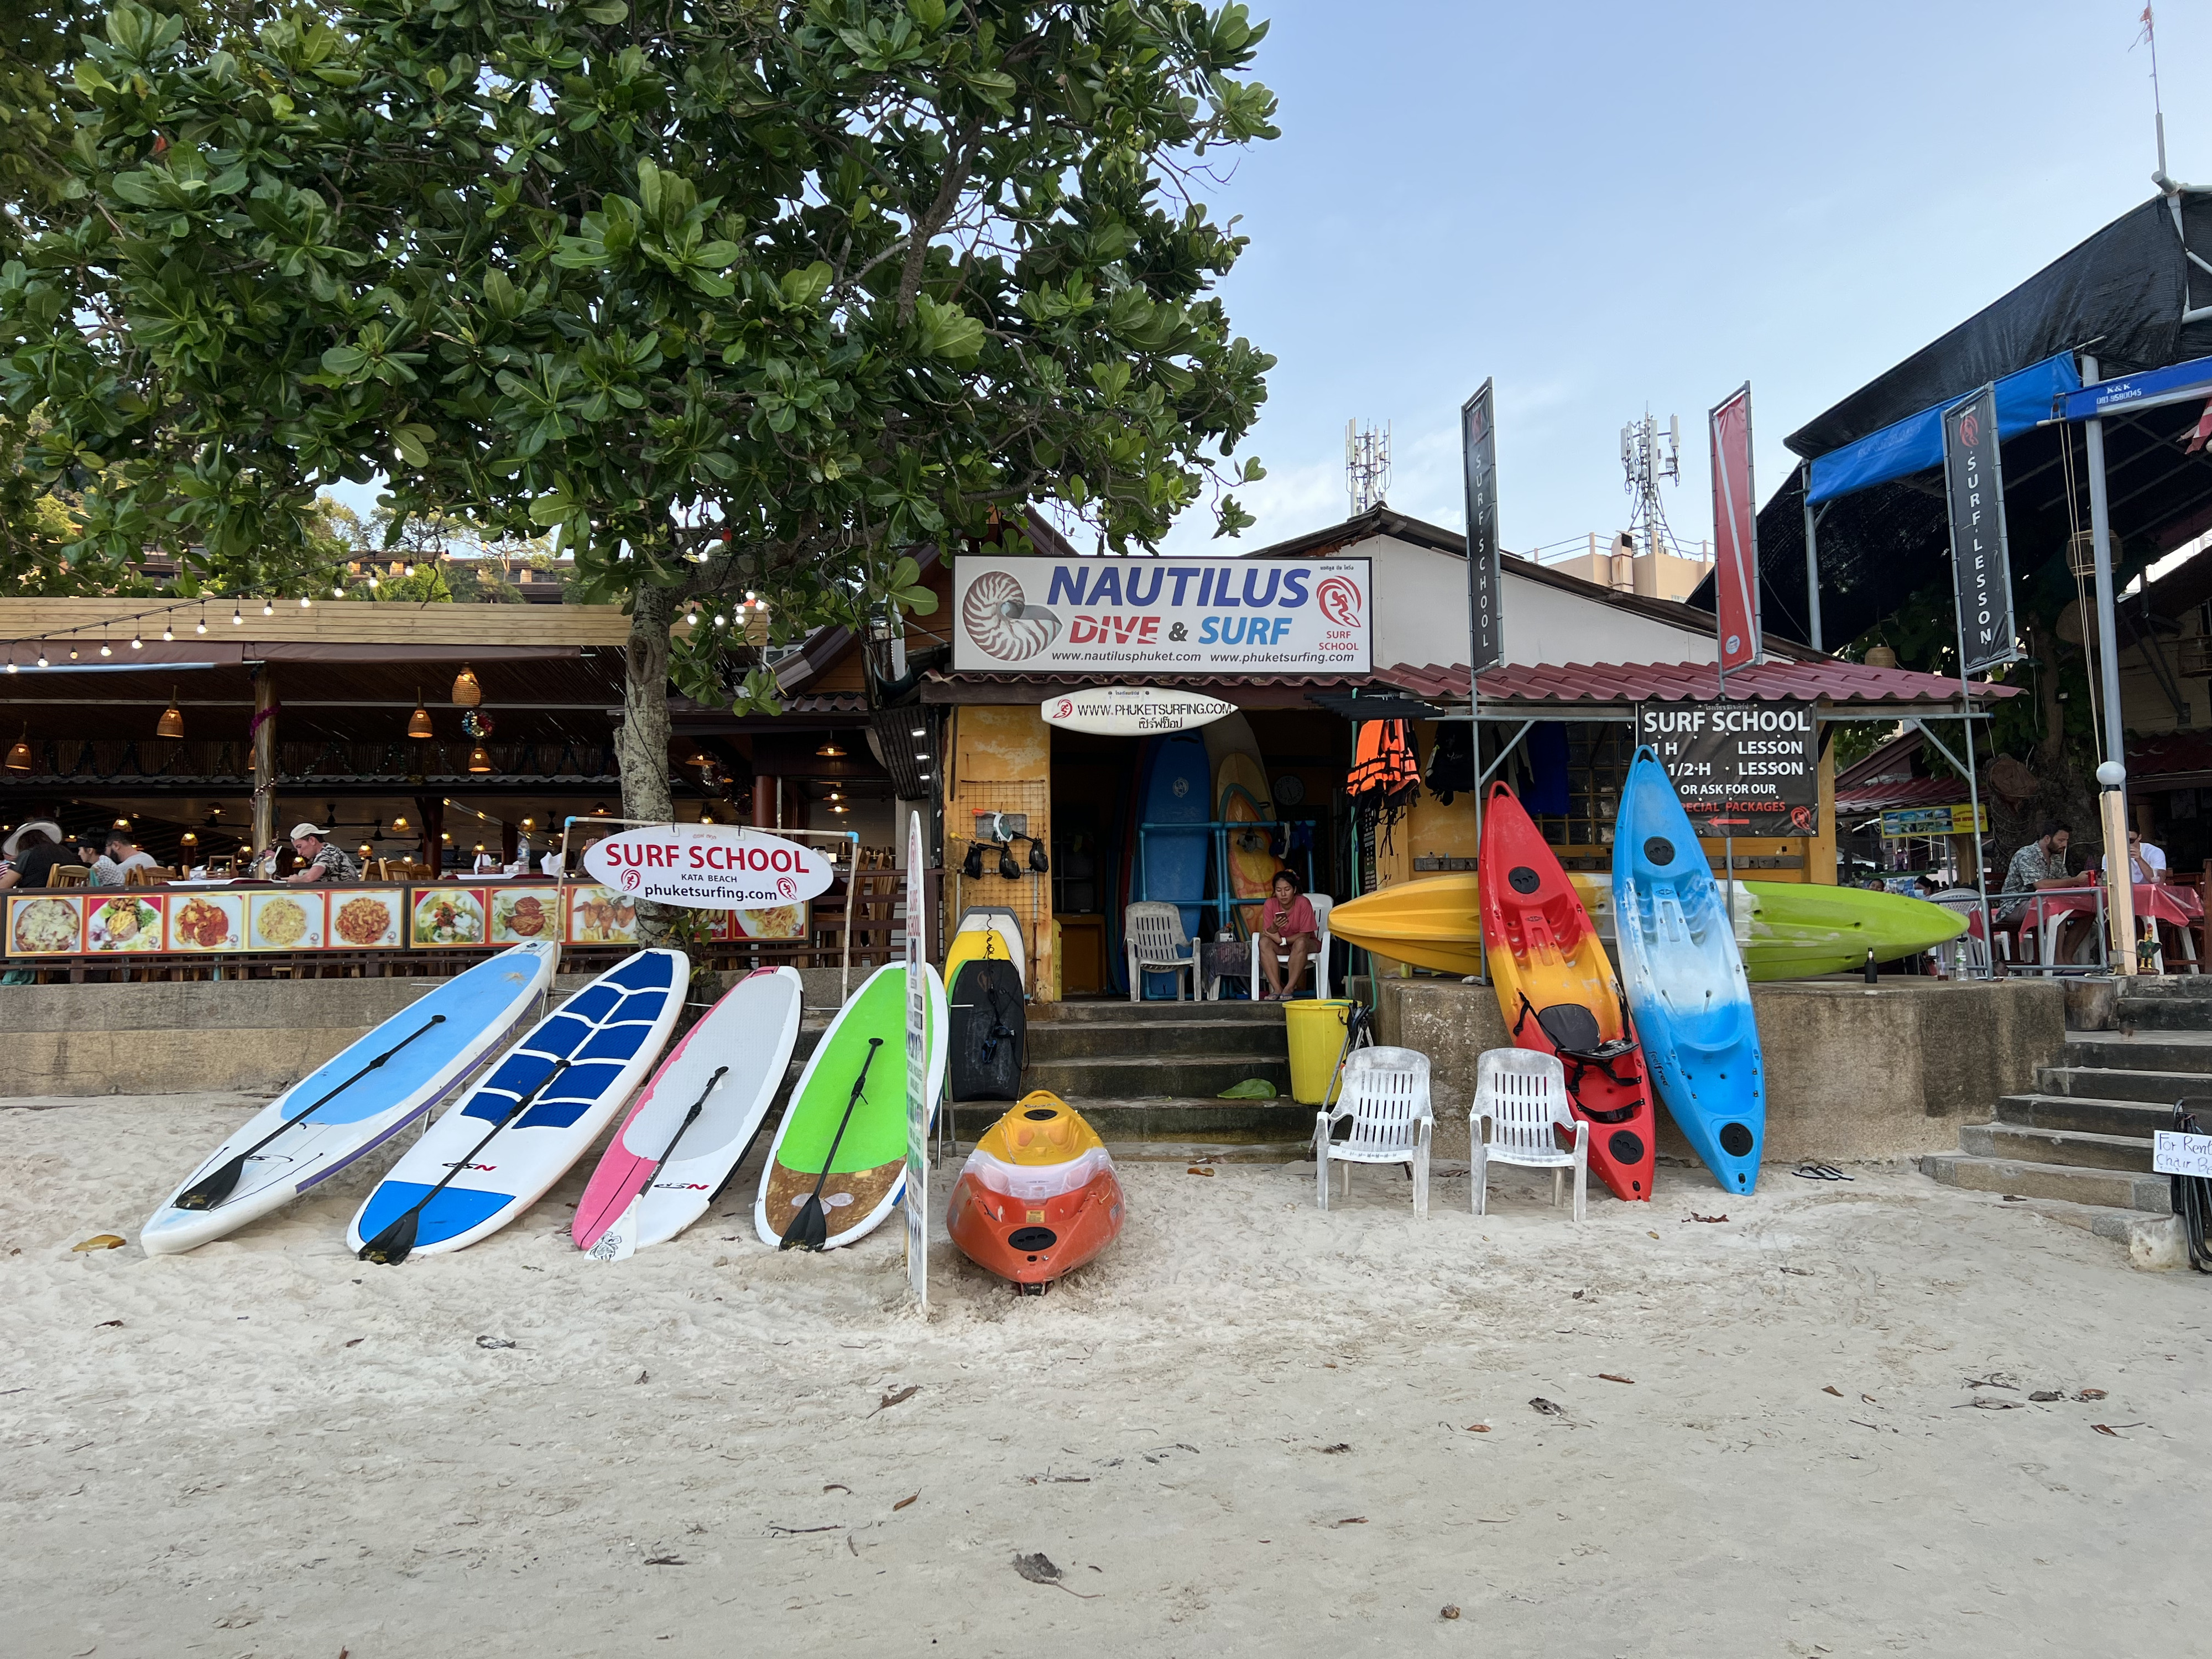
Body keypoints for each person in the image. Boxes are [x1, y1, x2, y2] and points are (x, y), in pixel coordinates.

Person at [2001, 820, 2092, 964]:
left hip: (2045, 903)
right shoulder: (2026, 854)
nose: (2065, 845)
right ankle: (2057, 961)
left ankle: (2067, 957)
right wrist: (2075, 881)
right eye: (2061, 840)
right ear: (2047, 838)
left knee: (2089, 912)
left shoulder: (2056, 857)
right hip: (2015, 905)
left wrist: (2083, 883)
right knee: (2057, 910)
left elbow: (2065, 881)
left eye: (2066, 840)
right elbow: (2041, 885)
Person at [1254, 868, 1321, 1001]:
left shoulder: (1303, 902)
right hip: (1283, 947)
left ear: (1295, 890)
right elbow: (1268, 934)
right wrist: (1274, 927)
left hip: (1306, 946)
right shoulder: (1270, 904)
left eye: (1287, 889)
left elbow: (1305, 935)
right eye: (1279, 890)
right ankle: (1277, 988)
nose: (1283, 894)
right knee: (1263, 943)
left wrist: (1282, 940)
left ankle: (1289, 988)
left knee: (1300, 943)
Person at [285, 822, 359, 885]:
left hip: (341, 898)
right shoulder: (329, 850)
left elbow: (309, 878)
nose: (299, 852)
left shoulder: (327, 854)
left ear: (312, 840)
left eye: (300, 846)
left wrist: (297, 879)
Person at [0, 821, 63, 892]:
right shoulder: (66, 853)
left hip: (32, 899)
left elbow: (3, 887)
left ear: (23, 842)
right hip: (67, 900)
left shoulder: (28, 854)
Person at [92, 829, 160, 887]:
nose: (106, 853)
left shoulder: (122, 869)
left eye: (106, 848)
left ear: (116, 845)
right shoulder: (148, 858)